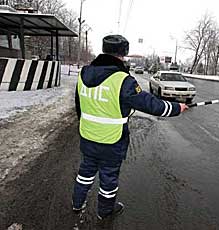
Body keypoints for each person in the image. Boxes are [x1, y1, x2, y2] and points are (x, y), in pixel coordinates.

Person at [72, 34, 188, 220]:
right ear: (123, 54)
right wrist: (177, 108)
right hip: (112, 140)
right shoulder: (123, 80)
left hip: (87, 136)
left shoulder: (83, 73)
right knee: (108, 179)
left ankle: (77, 203)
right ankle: (105, 211)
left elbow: (79, 105)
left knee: (85, 172)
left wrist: (85, 125)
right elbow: (153, 105)